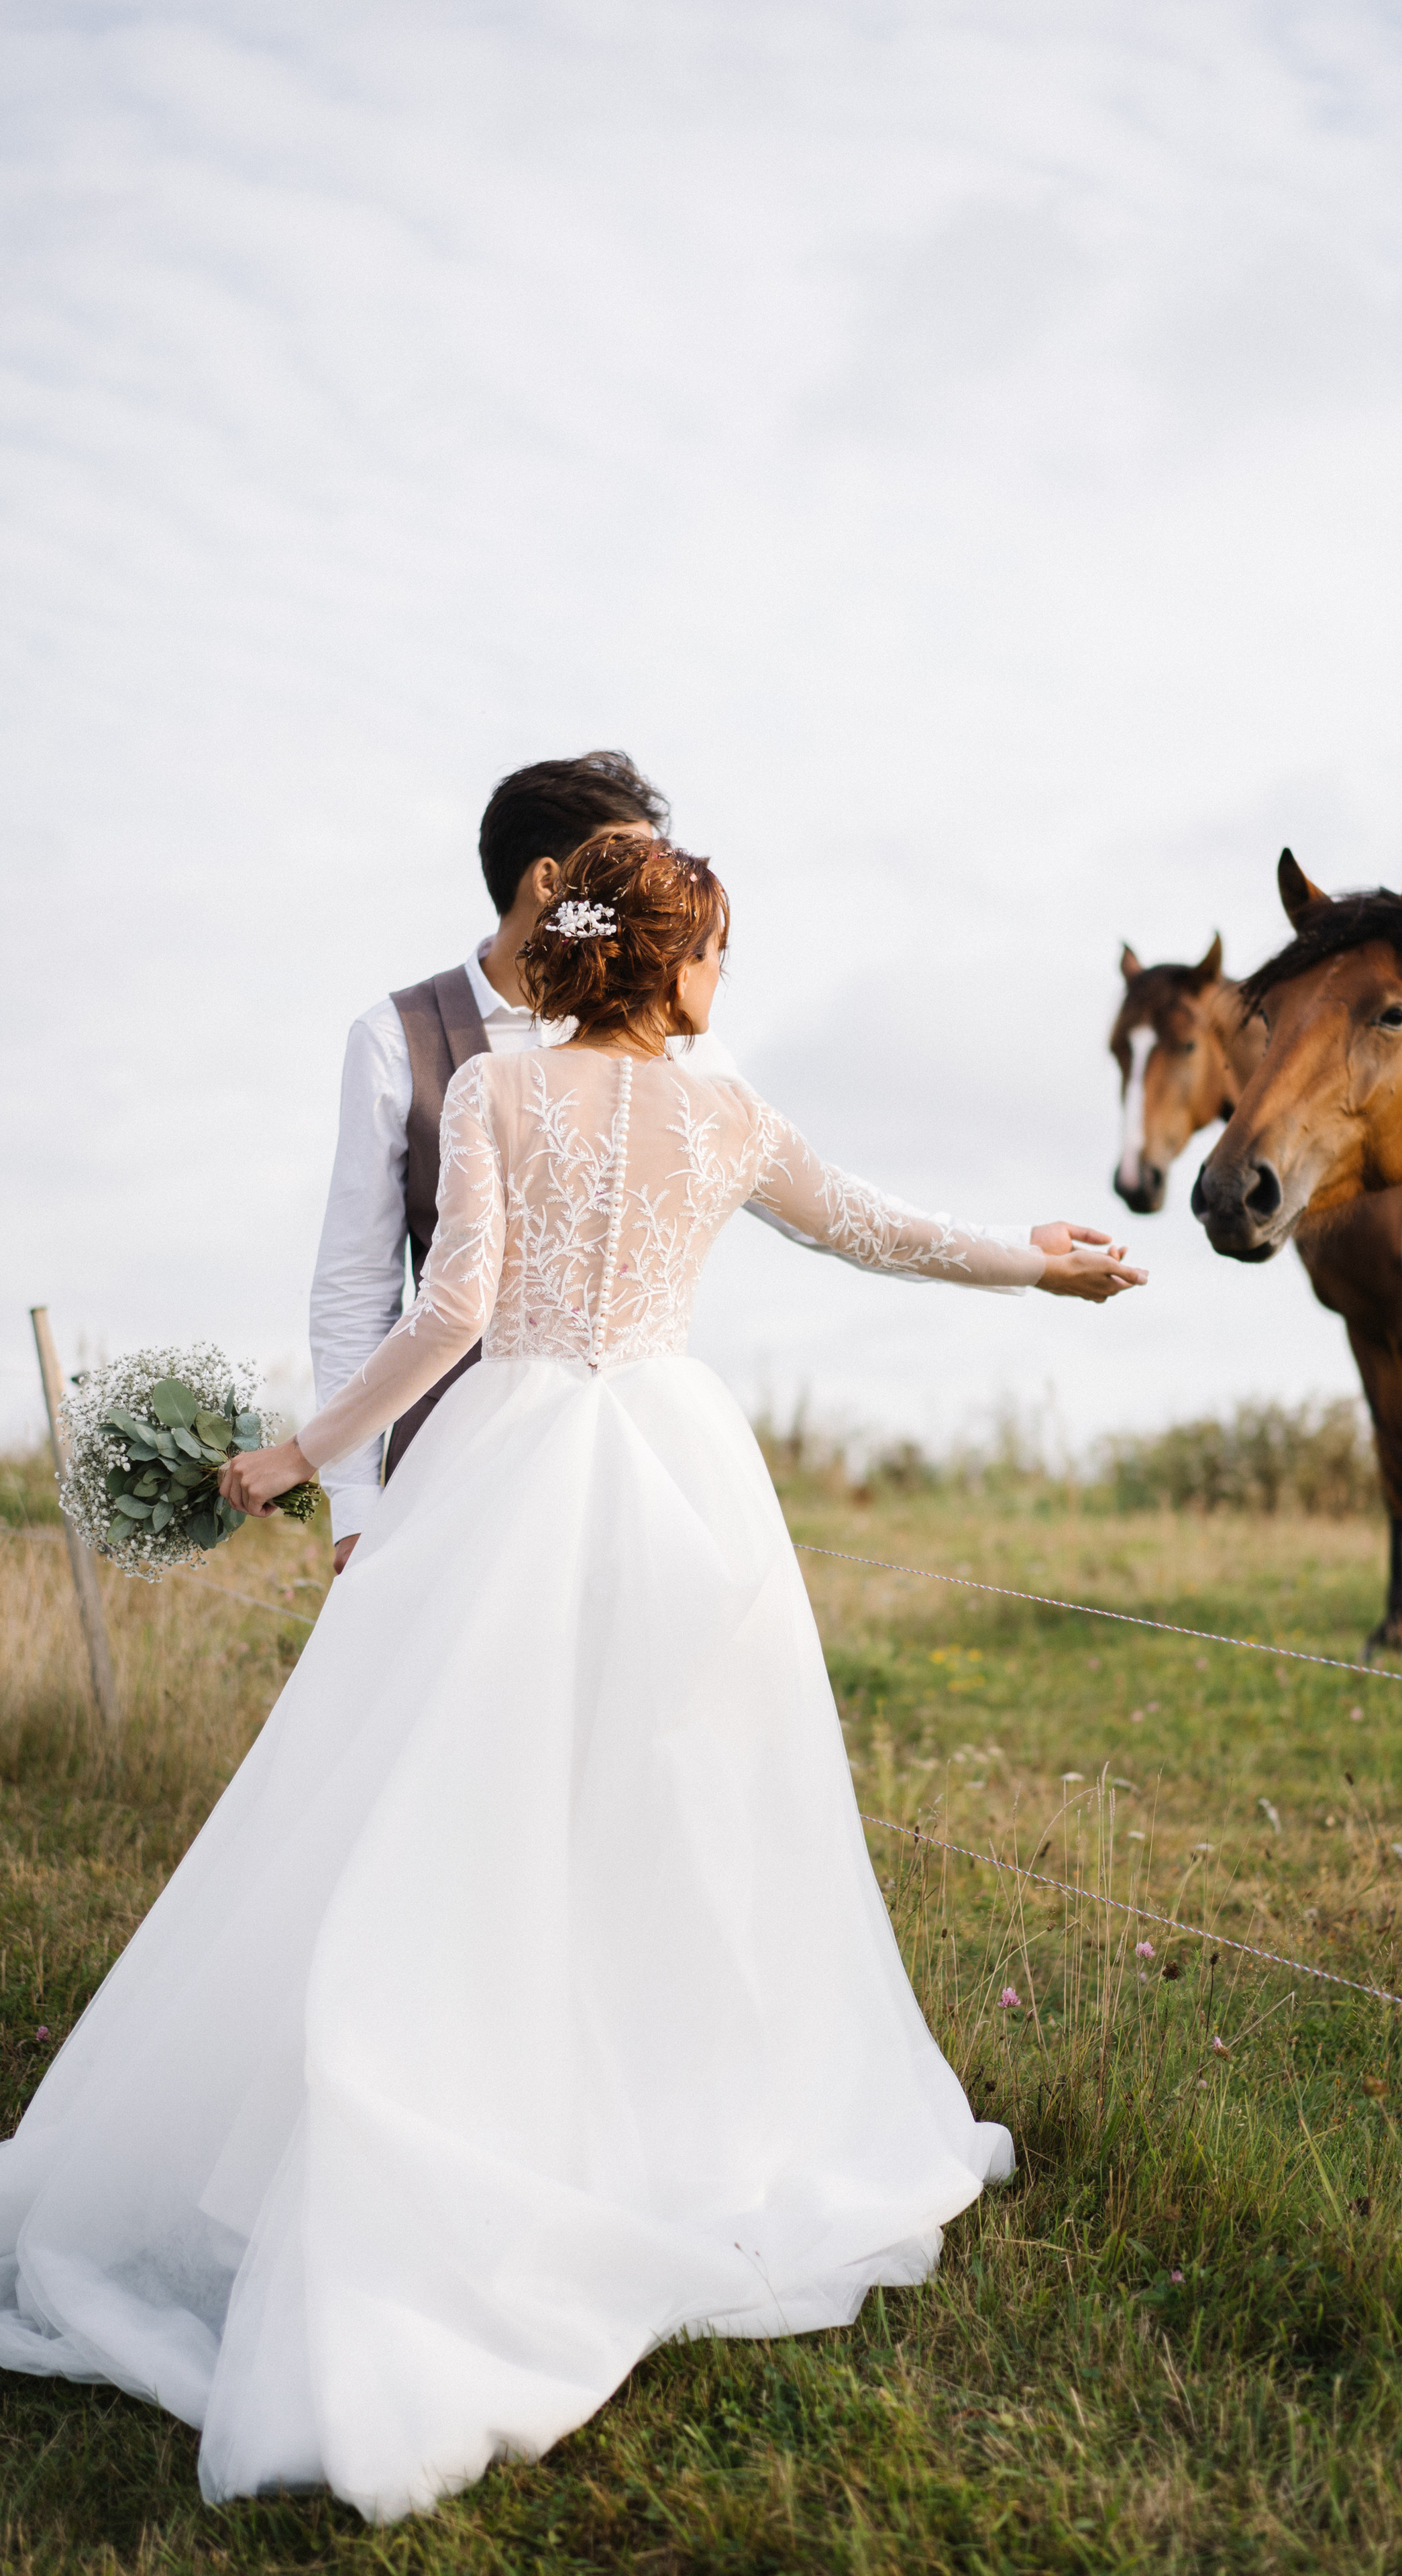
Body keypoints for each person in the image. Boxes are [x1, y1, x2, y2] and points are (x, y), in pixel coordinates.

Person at [0, 832, 1142, 2522]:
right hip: (679, 1471)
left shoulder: (493, 1099)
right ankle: (663, 2118)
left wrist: (295, 1456)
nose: (719, 982)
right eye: (715, 953)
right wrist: (1035, 1260)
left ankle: (458, 2097)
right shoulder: (726, 1112)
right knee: (674, 1813)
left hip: (514, 1463)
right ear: (665, 963)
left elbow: (449, 1313)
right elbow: (864, 1230)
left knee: (444, 1809)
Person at [314, 751, 1108, 1570]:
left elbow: (832, 1208)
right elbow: (357, 1282)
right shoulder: (395, 1039)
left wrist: (1023, 1253)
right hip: (453, 1460)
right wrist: (352, 1496)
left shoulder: (691, 1056)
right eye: (629, 862)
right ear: (550, 882)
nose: (655, 883)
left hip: (644, 1464)